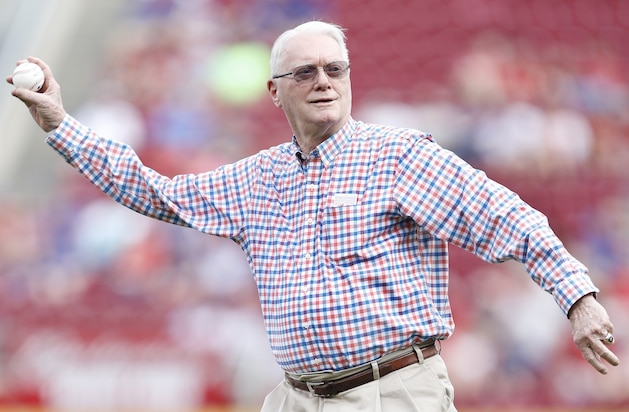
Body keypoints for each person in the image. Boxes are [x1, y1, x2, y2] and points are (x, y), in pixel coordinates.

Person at [7, 21, 619, 411]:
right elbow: (155, 192)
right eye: (305, 72)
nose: (324, 80)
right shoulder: (256, 178)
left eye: (336, 68)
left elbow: (506, 217)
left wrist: (578, 298)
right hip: (300, 397)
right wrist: (60, 124)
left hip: (393, 391)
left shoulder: (397, 156)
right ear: (275, 91)